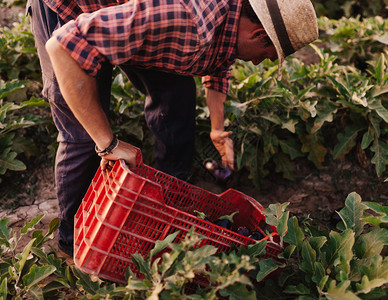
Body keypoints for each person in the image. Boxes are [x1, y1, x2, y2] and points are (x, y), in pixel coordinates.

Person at [28, 0, 318, 257]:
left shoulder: (229, 18)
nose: (257, 61)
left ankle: (167, 202)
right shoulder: (187, 20)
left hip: (133, 19)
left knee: (176, 96)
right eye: (265, 55)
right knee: (82, 132)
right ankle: (73, 243)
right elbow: (63, 46)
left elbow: (221, 61)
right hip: (68, 14)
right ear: (257, 34)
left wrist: (217, 130)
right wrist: (108, 143)